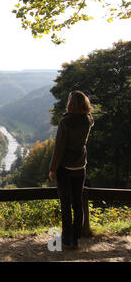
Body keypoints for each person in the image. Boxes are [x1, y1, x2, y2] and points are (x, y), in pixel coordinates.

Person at [49, 90, 94, 249]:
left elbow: (59, 147)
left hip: (65, 168)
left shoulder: (65, 122)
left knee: (66, 204)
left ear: (70, 104)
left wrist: (53, 168)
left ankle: (66, 238)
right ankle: (76, 237)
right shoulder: (88, 120)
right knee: (77, 203)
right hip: (80, 166)